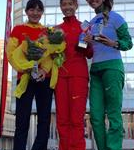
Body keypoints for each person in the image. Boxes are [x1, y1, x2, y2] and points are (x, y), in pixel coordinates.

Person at [84, 0, 133, 150]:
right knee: (96, 117)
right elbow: (86, 49)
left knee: (113, 113)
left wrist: (114, 43)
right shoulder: (90, 23)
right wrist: (85, 42)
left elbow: (128, 43)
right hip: (95, 70)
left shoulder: (116, 17)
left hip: (112, 67)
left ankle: (114, 148)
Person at [6, 0, 53, 150]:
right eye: (32, 10)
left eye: (39, 10)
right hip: (24, 78)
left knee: (44, 119)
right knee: (22, 119)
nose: (35, 13)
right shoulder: (18, 30)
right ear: (26, 12)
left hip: (43, 78)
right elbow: (11, 53)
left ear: (42, 13)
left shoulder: (48, 32)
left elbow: (50, 55)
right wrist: (26, 67)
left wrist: (43, 70)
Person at [54, 0, 93, 150]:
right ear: (61, 7)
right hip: (61, 78)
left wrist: (88, 43)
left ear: (76, 6)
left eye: (70, 4)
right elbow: (51, 55)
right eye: (64, 4)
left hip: (78, 76)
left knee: (76, 120)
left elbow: (89, 54)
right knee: (62, 119)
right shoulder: (56, 30)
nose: (67, 7)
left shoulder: (84, 26)